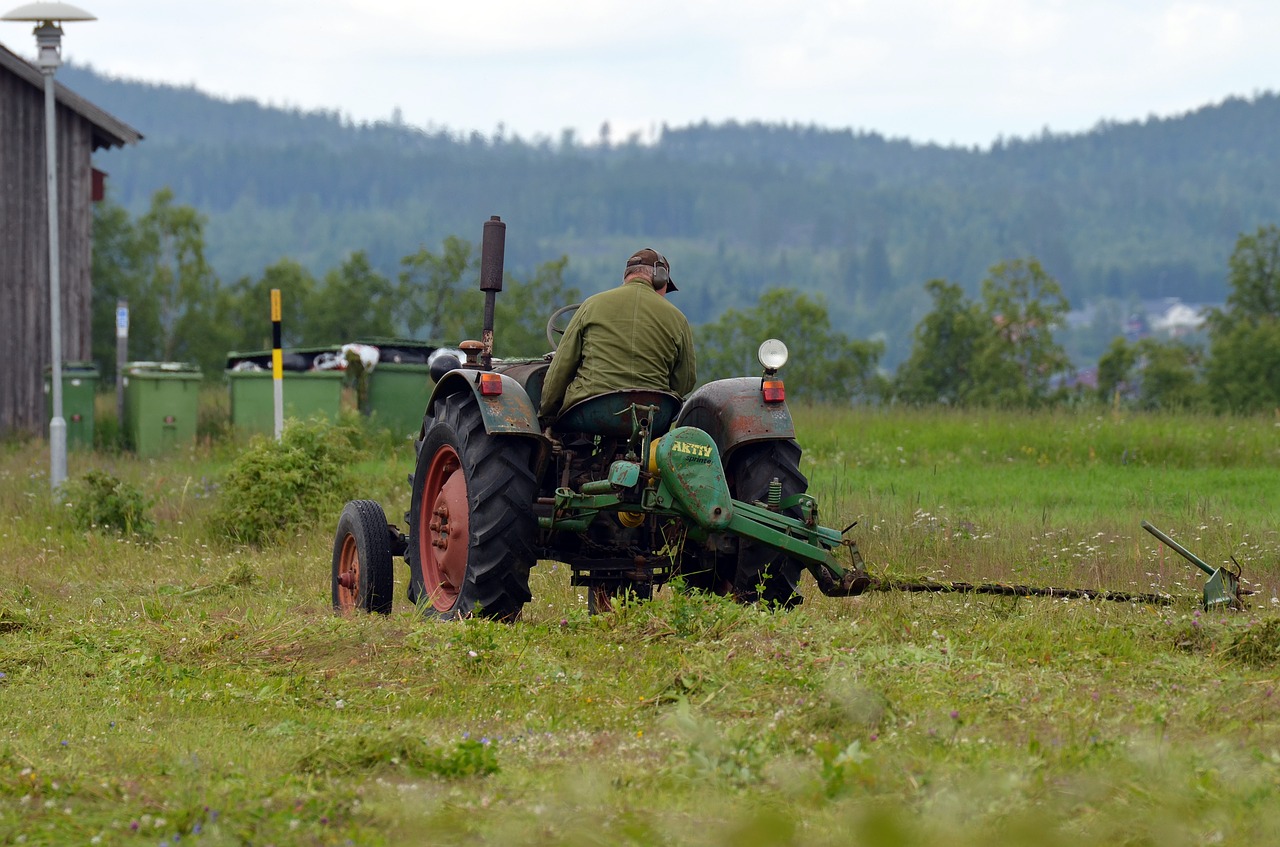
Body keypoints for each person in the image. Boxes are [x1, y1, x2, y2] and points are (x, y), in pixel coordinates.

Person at [540, 247, 696, 422]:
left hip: (589, 410)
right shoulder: (678, 318)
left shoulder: (591, 305)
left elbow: (561, 369)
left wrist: (546, 415)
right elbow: (686, 380)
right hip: (652, 413)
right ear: (660, 279)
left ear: (626, 276)